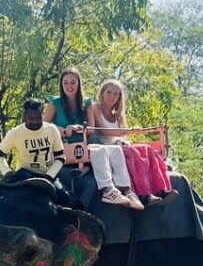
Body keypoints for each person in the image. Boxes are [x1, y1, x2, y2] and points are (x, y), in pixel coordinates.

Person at [45, 68, 141, 209]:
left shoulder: (86, 103)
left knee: (115, 150)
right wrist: (59, 130)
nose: (69, 86)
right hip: (66, 146)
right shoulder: (55, 103)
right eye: (65, 83)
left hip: (84, 141)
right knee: (99, 150)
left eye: (73, 82)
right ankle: (107, 189)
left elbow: (91, 128)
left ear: (79, 84)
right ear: (61, 84)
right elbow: (44, 127)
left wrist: (78, 127)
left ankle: (126, 189)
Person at [91, 79, 176, 207]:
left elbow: (124, 135)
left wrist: (128, 133)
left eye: (116, 94)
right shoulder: (95, 108)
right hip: (106, 144)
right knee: (132, 152)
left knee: (146, 148)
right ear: (102, 93)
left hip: (120, 142)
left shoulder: (118, 115)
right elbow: (104, 131)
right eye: (109, 92)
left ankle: (160, 190)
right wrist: (128, 132)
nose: (112, 96)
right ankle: (143, 194)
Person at [0, 98, 65, 184]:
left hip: (48, 175)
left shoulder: (52, 129)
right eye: (31, 118)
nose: (34, 122)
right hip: (23, 176)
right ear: (25, 116)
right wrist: (7, 172)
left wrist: (49, 176)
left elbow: (60, 157)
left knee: (65, 196)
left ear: (42, 115)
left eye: (38, 118)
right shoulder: (15, 133)